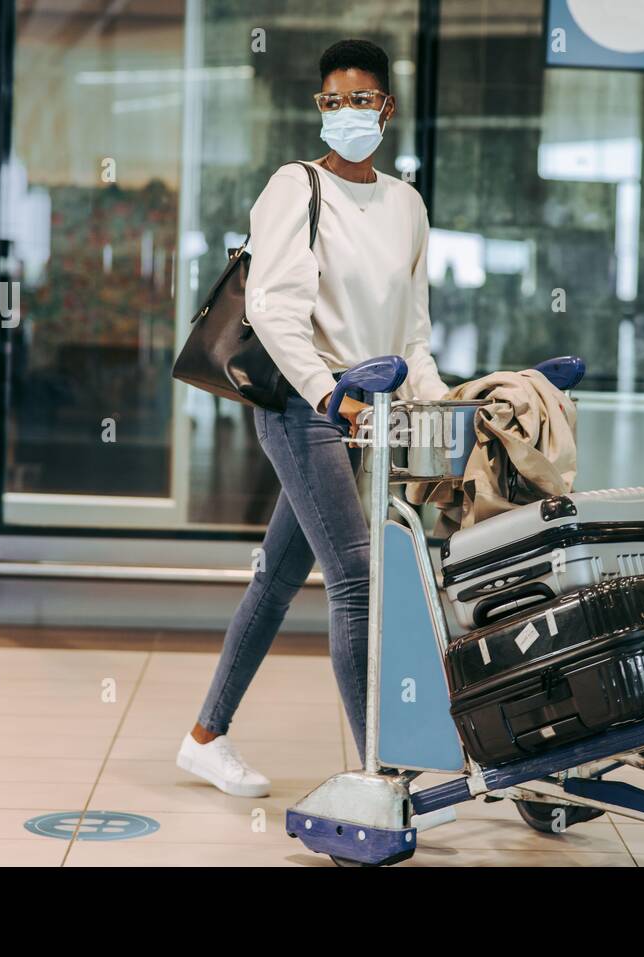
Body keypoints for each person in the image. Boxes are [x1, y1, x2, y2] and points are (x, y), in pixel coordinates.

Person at [177, 39, 450, 797]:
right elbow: (272, 309)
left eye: (361, 100)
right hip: (307, 411)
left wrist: (440, 402)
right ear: (319, 109)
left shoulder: (407, 205)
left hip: (370, 419)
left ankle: (205, 736)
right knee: (357, 579)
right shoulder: (295, 188)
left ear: (386, 108)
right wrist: (329, 393)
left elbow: (414, 334)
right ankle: (382, 773)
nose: (346, 113)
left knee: (275, 578)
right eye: (332, 101)